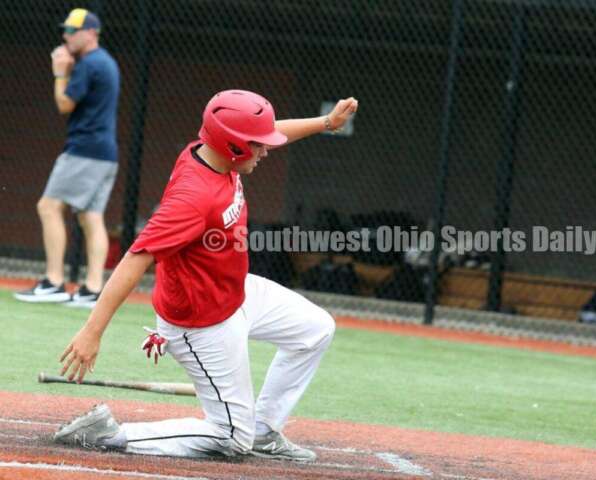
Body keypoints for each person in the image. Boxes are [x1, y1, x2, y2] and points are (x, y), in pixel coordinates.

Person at [53, 90, 359, 461]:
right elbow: (136, 258)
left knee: (315, 330)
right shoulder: (193, 198)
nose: (266, 150)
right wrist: (92, 331)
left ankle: (264, 430)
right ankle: (110, 434)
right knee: (231, 439)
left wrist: (327, 123)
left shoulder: (214, 150)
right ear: (233, 145)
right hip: (200, 322)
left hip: (234, 292)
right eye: (258, 146)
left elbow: (269, 129)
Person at [14, 8, 120, 308]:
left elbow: (64, 104)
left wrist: (60, 72)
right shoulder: (107, 63)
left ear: (91, 33)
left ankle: (54, 282)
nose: (66, 36)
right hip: (105, 153)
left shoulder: (89, 64)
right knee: (90, 216)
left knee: (48, 206)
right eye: (66, 31)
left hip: (85, 150)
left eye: (72, 31)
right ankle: (93, 289)